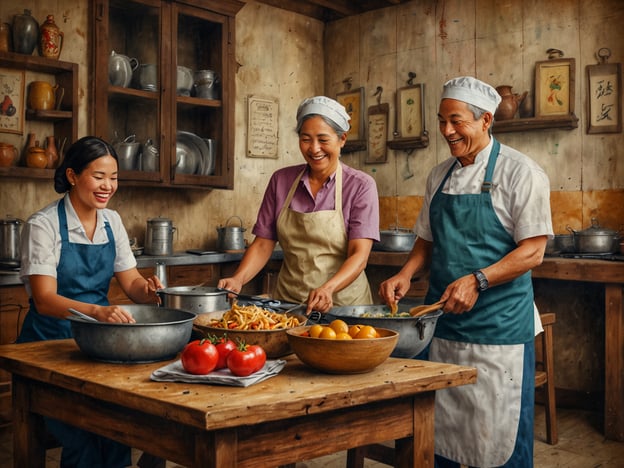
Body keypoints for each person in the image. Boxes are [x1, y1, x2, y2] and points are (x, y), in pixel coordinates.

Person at [379, 76, 553, 467]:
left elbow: (534, 252)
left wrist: (479, 280)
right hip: (442, 328)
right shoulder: (438, 175)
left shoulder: (521, 173)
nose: (446, 131)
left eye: (456, 121)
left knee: (497, 443)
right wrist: (406, 274)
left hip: (499, 332)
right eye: (442, 120)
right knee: (439, 439)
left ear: (486, 120)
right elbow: (426, 240)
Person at [17, 136, 164, 467]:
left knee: (117, 430)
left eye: (113, 178)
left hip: (97, 348)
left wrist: (150, 291)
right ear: (72, 175)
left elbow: (131, 283)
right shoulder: (43, 225)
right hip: (47, 351)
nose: (108, 186)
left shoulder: (112, 221)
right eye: (99, 176)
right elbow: (44, 300)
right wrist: (99, 311)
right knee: (83, 437)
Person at [218, 96, 379, 313]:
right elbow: (264, 243)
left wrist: (328, 289)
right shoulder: (281, 181)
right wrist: (238, 279)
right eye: (306, 139)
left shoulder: (360, 186)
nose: (314, 149)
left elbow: (359, 255)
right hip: (289, 306)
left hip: (343, 307)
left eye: (323, 139)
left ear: (342, 139)